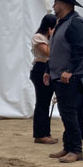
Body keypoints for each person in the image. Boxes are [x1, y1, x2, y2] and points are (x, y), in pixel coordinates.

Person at [44, 0, 83, 164]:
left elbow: (81, 50)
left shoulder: (75, 23)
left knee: (70, 113)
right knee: (65, 113)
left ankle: (76, 150)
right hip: (59, 75)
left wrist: (69, 70)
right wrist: (49, 70)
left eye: (55, 3)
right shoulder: (62, 22)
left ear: (63, 4)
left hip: (70, 77)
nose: (54, 6)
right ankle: (68, 146)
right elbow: (56, 50)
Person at [30, 14, 57, 144]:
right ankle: (40, 134)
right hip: (40, 69)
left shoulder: (49, 38)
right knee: (41, 102)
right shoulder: (39, 37)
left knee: (46, 102)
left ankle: (46, 132)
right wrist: (52, 38)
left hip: (50, 69)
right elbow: (49, 53)